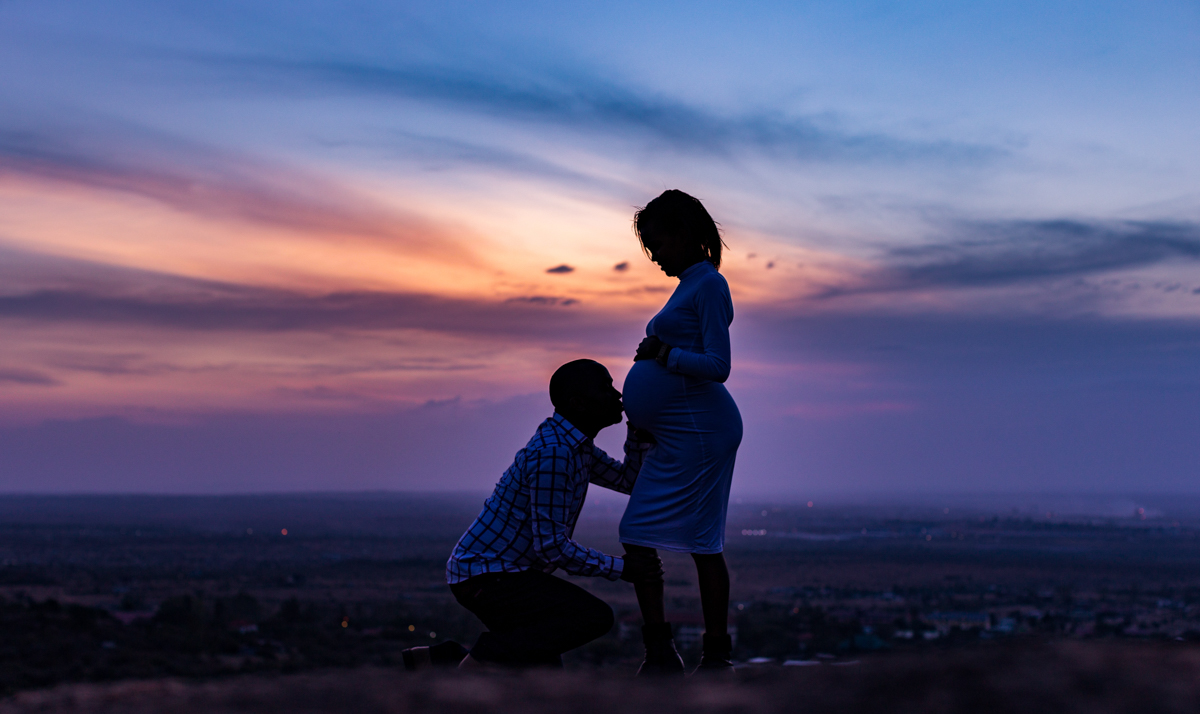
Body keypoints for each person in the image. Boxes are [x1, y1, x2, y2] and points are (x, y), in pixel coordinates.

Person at [404, 359, 663, 670]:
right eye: (605, 388)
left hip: (503, 573)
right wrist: (621, 568)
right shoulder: (555, 454)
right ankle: (470, 667)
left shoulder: (575, 446)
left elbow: (628, 481)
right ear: (577, 404)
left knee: (543, 669)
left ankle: (444, 658)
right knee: (591, 617)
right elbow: (551, 546)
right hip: (487, 574)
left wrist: (637, 436)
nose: (618, 395)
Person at [619, 190, 743, 674]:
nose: (655, 256)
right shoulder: (690, 284)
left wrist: (662, 355)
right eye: (649, 247)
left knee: (703, 542)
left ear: (686, 234)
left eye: (659, 243)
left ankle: (715, 657)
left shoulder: (709, 284)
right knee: (637, 532)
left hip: (701, 431)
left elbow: (718, 365)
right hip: (677, 432)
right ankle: (660, 652)